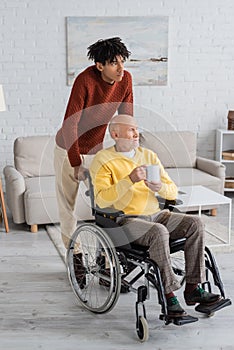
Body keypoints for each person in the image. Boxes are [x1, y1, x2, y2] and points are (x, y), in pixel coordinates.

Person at [89, 114, 221, 317]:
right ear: (115, 134)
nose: (136, 133)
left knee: (196, 223)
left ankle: (193, 288)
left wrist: (160, 188)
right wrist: (129, 180)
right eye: (131, 130)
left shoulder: (148, 156)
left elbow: (172, 191)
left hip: (158, 214)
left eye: (136, 129)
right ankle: (169, 296)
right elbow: (102, 200)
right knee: (158, 232)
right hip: (126, 220)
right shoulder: (103, 160)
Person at [54, 37, 133, 251]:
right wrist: (76, 162)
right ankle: (76, 255)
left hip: (96, 150)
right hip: (68, 149)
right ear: (100, 66)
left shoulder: (125, 80)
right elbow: (70, 124)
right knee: (67, 207)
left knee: (106, 204)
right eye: (114, 63)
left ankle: (106, 255)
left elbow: (126, 118)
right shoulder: (85, 81)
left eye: (122, 62)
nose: (121, 69)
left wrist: (128, 153)